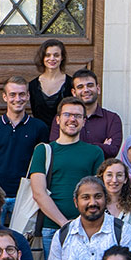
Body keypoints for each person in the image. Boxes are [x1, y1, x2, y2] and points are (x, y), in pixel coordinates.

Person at [29, 98, 108, 244]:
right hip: (51, 229)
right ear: (58, 119)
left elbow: (98, 193)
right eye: (67, 115)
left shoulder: (95, 152)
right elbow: (38, 193)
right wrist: (65, 224)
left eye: (78, 116)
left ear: (84, 121)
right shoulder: (44, 150)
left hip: (87, 229)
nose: (72, 119)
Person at [0, 77, 49, 211]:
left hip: (26, 196)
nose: (17, 99)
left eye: (22, 94)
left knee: (20, 233)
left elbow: (43, 164)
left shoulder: (39, 127)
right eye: (12, 95)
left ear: (28, 96)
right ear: (5, 97)